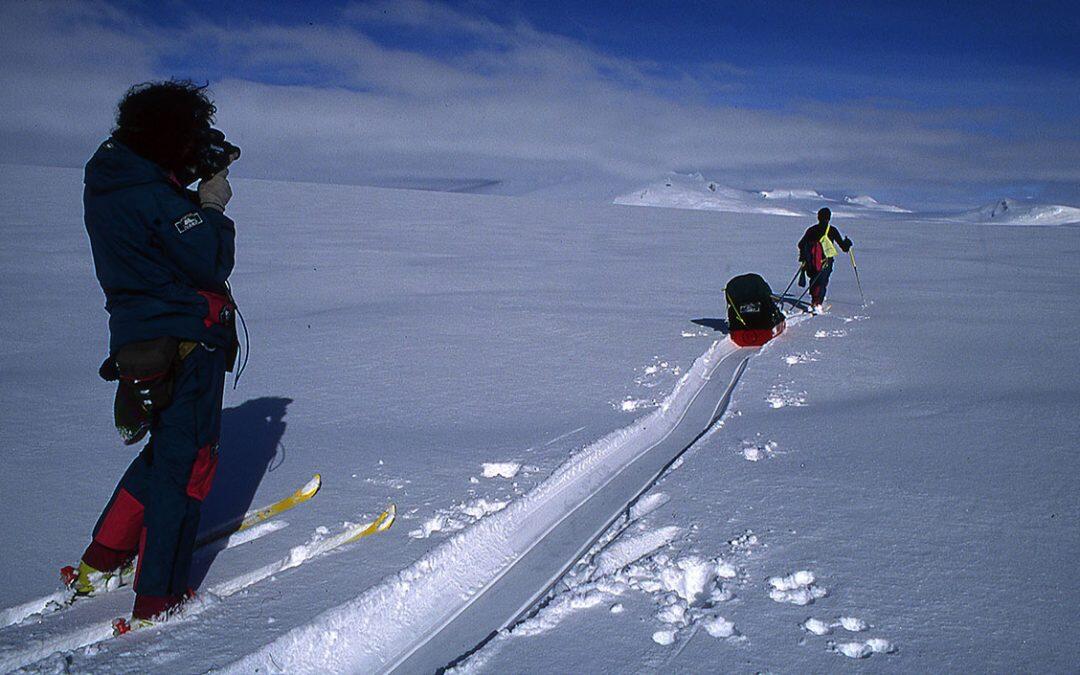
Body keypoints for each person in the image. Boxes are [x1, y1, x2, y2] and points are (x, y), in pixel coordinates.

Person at [68, 80, 239, 623]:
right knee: (187, 466)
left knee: (164, 454)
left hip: (141, 341)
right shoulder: (151, 193)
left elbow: (153, 237)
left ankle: (101, 561)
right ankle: (158, 597)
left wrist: (181, 179)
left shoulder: (114, 177)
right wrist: (210, 203)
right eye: (188, 137)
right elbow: (207, 258)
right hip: (186, 339)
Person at [797, 207, 852, 308]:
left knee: (814, 279)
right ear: (829, 218)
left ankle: (814, 300)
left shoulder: (811, 229)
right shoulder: (832, 230)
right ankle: (817, 303)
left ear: (818, 217)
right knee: (822, 281)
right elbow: (844, 248)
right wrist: (848, 243)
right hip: (826, 261)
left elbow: (801, 244)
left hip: (811, 261)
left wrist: (804, 258)